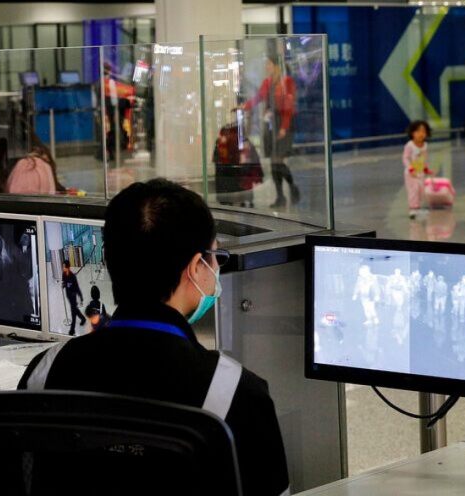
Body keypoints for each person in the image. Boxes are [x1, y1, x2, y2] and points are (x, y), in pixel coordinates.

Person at [18, 179, 290, 495]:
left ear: (108, 264)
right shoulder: (236, 394)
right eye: (214, 256)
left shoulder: (45, 373)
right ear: (196, 266)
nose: (215, 268)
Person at [242, 52, 299, 209]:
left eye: (269, 64)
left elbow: (289, 107)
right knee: (274, 163)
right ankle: (281, 195)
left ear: (276, 66)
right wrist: (244, 106)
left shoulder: (287, 82)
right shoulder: (267, 82)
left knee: (278, 160)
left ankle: (291, 188)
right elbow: (258, 98)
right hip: (271, 124)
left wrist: (283, 128)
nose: (266, 67)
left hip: (284, 124)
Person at [213, 107, 263, 208]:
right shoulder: (228, 132)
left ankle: (240, 199)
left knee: (237, 178)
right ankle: (240, 199)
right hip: (231, 159)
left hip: (234, 159)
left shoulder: (235, 132)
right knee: (235, 178)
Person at [403, 120, 433, 219]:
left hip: (420, 173)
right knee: (413, 190)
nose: (421, 134)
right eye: (418, 131)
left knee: (421, 190)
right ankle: (412, 209)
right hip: (411, 174)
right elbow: (405, 158)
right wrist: (410, 168)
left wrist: (426, 169)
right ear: (412, 133)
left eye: (423, 131)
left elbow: (423, 158)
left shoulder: (425, 146)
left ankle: (418, 208)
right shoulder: (409, 145)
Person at [61, 261, 86, 336]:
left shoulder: (72, 276)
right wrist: (64, 285)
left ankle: (72, 330)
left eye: (64, 267)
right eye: (63, 267)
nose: (63, 268)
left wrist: (81, 298)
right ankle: (83, 319)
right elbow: (65, 282)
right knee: (75, 309)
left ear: (68, 267)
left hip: (73, 296)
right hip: (68, 295)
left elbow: (77, 288)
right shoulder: (64, 274)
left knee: (73, 313)